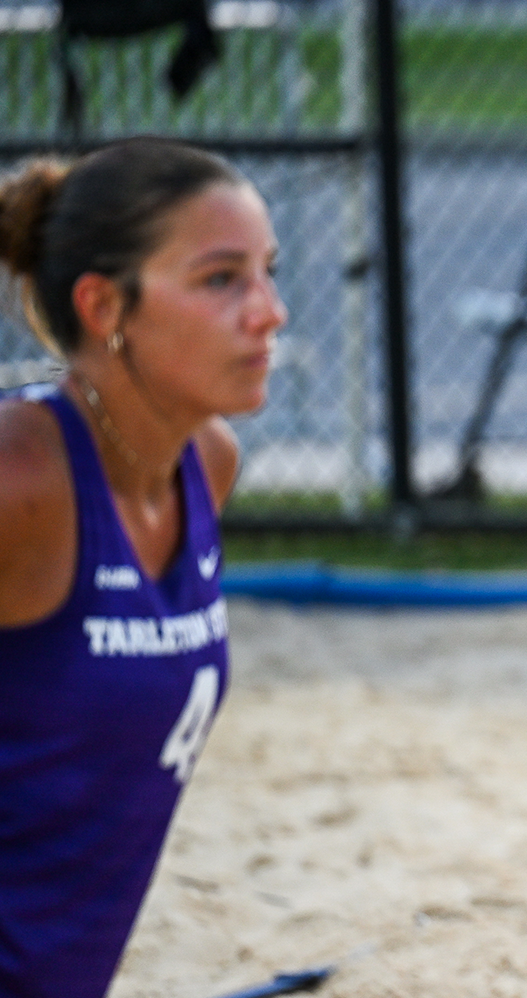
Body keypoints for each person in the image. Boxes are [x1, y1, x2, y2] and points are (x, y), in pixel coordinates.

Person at [0, 138, 285, 998]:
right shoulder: (22, 480)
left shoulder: (206, 462)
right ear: (103, 305)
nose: (269, 311)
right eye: (220, 279)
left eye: (269, 271)